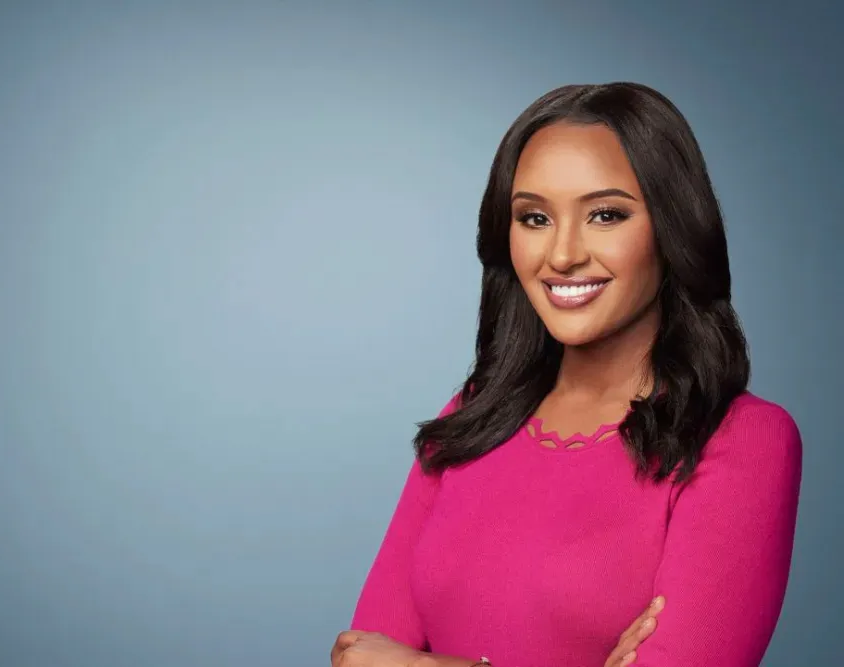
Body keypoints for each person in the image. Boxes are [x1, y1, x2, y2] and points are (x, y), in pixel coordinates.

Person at [330, 82, 803, 667]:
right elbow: (361, 657)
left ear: (673, 227)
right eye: (534, 218)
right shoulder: (473, 415)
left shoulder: (743, 441)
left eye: (606, 214)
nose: (562, 255)